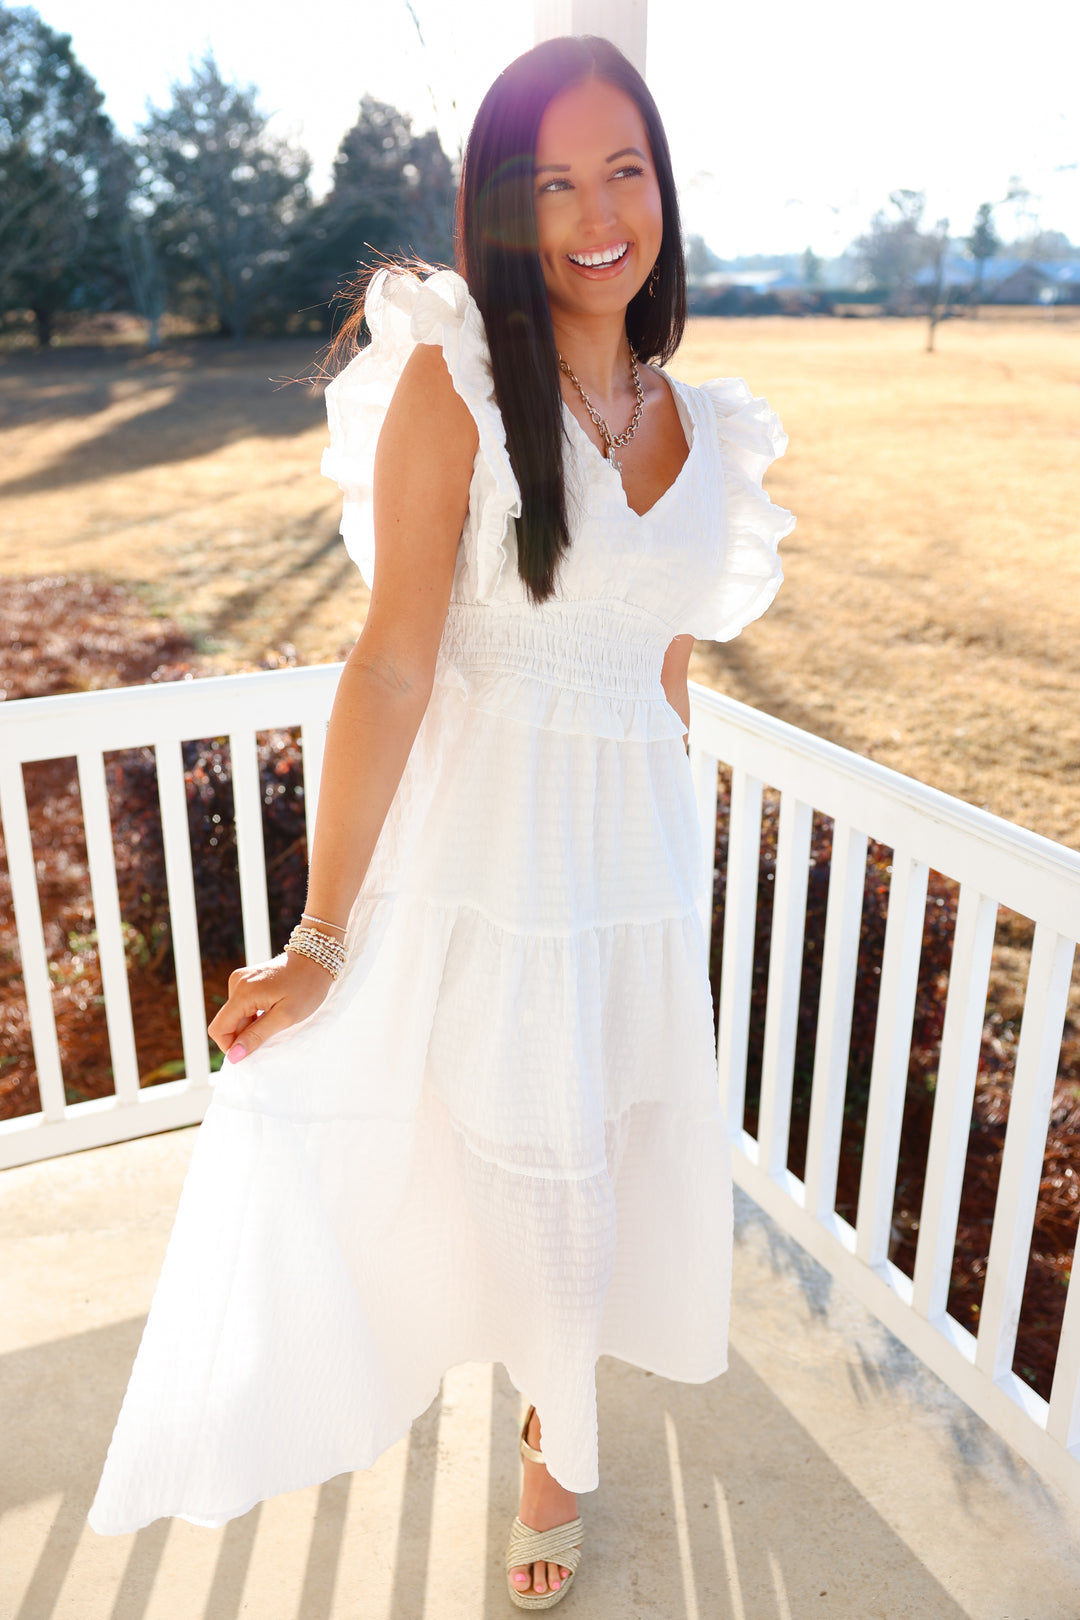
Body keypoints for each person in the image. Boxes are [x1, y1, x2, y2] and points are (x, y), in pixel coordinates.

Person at [89, 34, 794, 1610]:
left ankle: (556, 1422)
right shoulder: (457, 377)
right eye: (554, 181)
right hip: (482, 866)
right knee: (506, 1172)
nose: (597, 212)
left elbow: (665, 680)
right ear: (500, 205)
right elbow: (396, 660)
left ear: (664, 187)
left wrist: (680, 884)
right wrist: (322, 936)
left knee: (600, 1163)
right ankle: (551, 1442)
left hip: (634, 876)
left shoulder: (709, 432)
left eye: (626, 170)